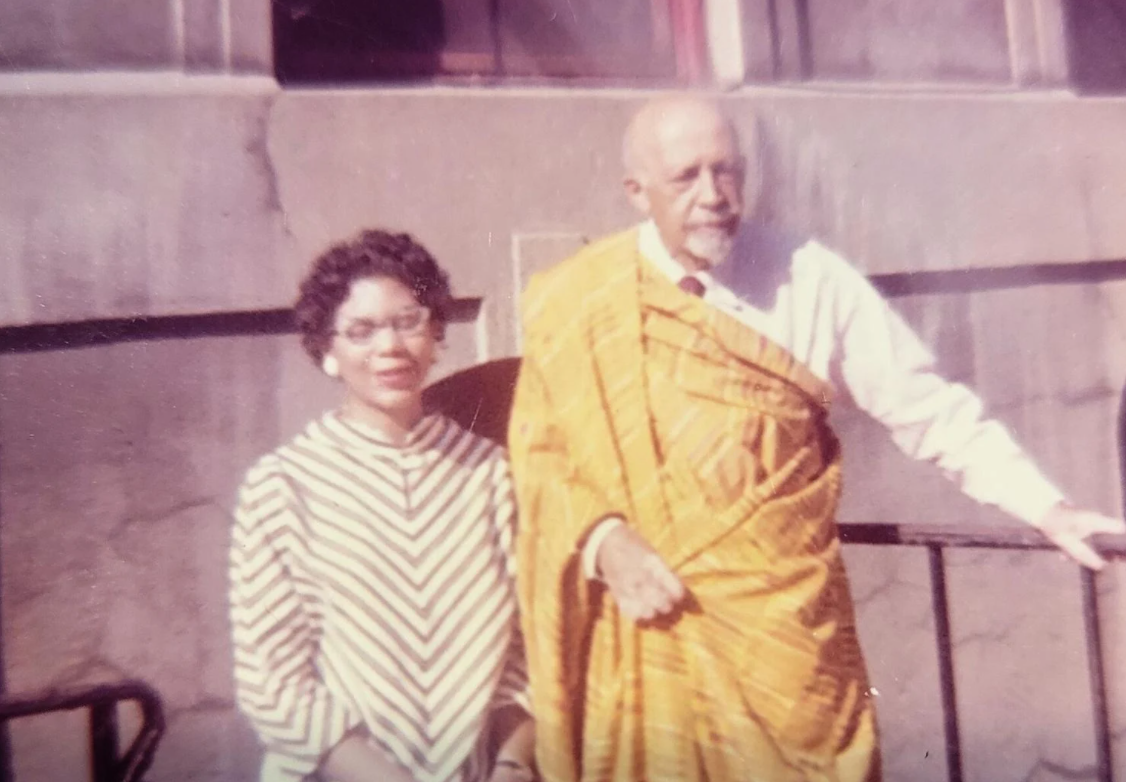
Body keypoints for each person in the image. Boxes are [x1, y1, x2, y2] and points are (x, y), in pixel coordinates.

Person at [507, 95, 1125, 782]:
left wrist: (1048, 508)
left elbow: (926, 407)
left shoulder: (808, 276)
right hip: (642, 636)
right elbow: (541, 458)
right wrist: (602, 540)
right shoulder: (581, 298)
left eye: (727, 170)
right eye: (686, 177)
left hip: (782, 647)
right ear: (637, 192)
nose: (713, 195)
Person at [230, 229, 536, 782]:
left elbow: (521, 658)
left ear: (435, 333)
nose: (390, 346)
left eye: (407, 321)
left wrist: (514, 761)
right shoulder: (282, 487)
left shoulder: (490, 474)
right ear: (328, 351)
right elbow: (273, 684)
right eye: (361, 330)